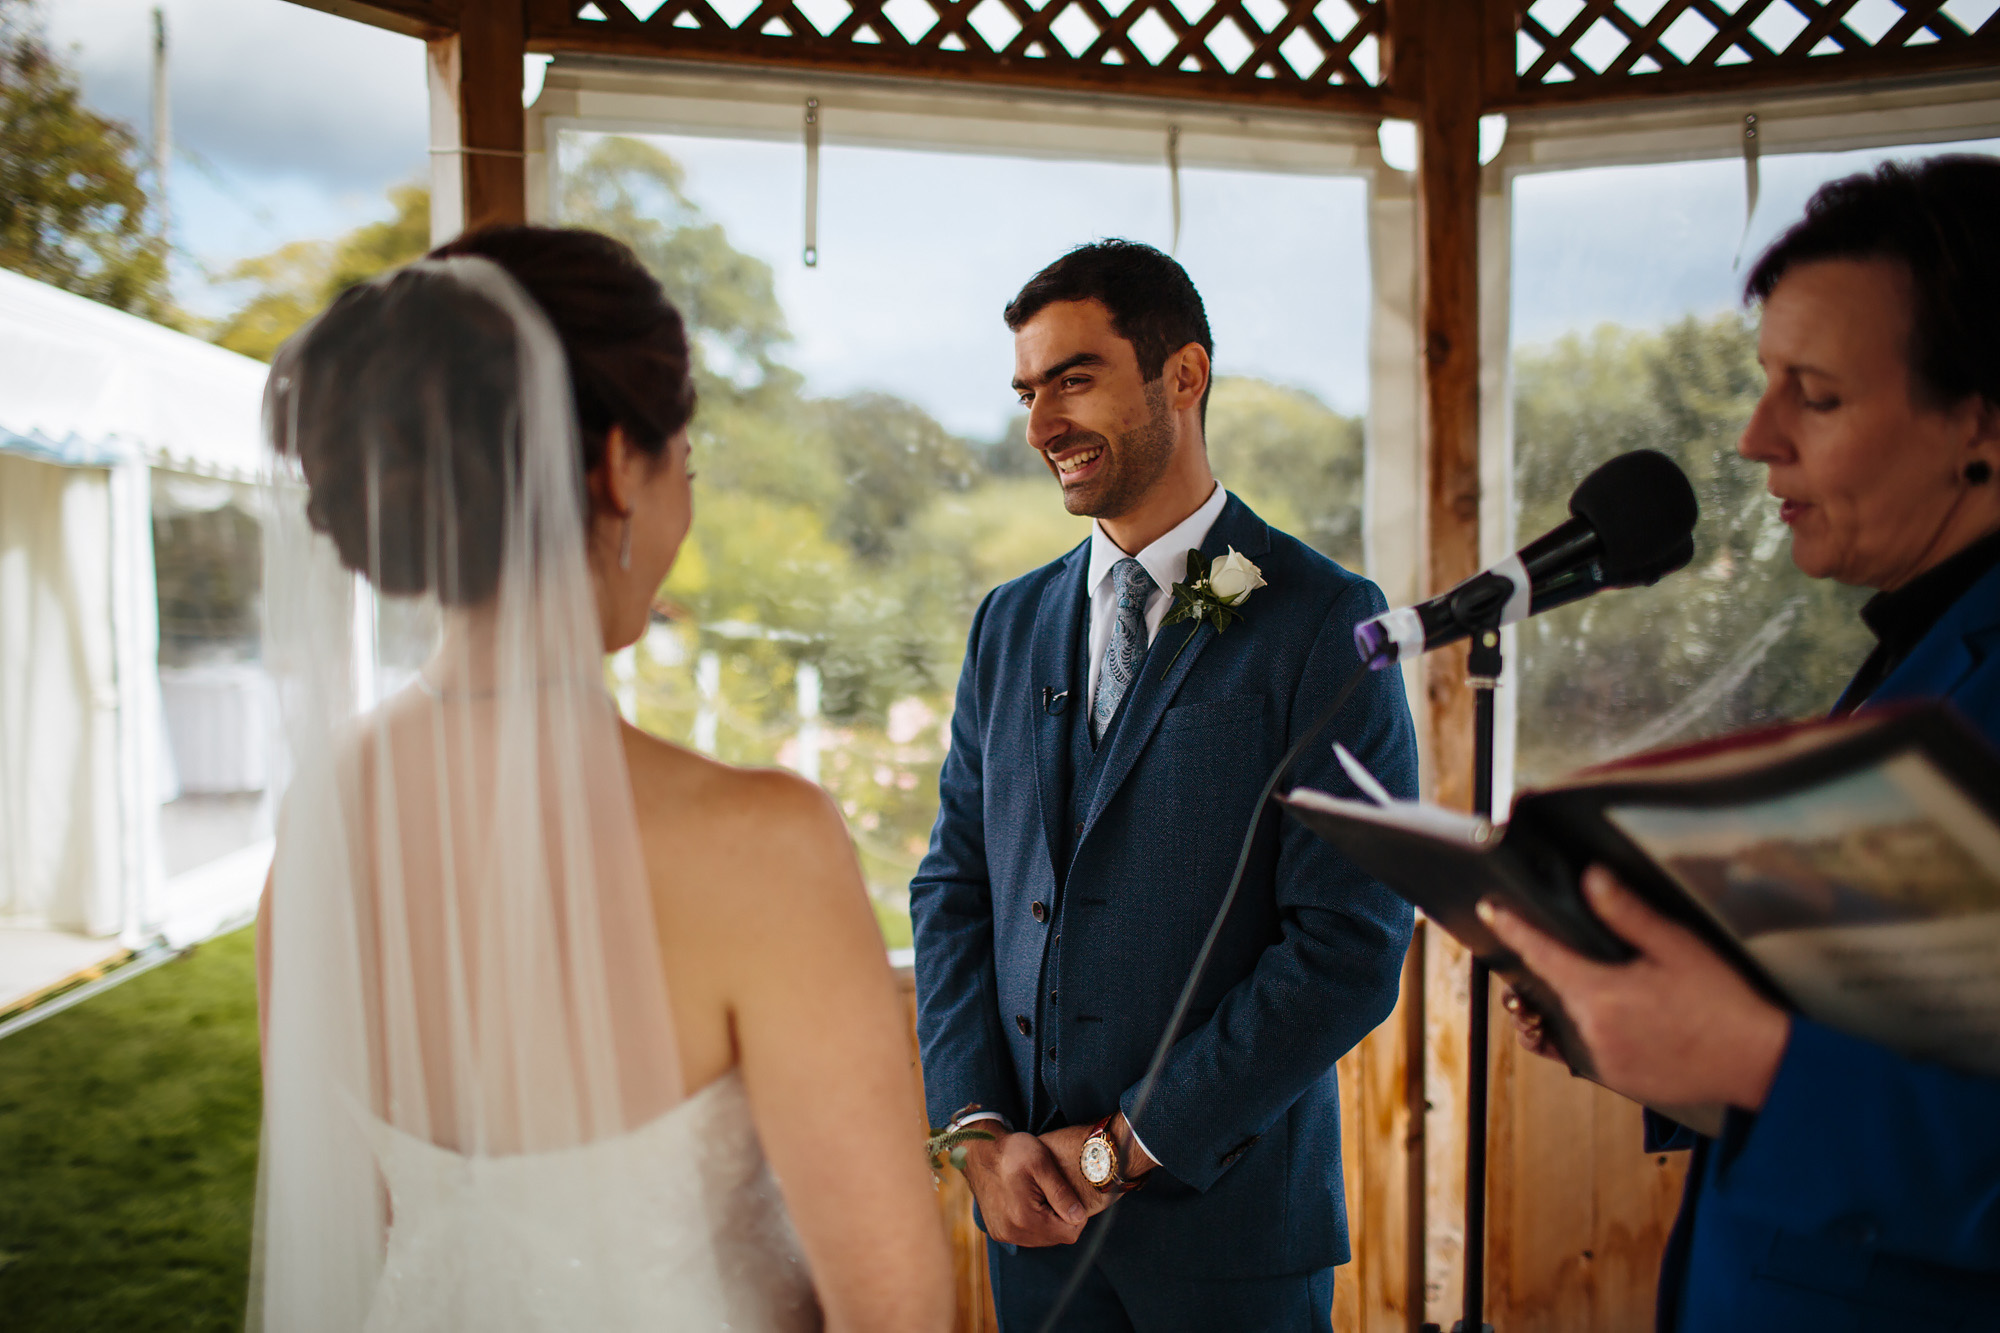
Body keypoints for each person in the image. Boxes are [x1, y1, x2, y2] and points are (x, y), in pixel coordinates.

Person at [250, 226, 951, 1332]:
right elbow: (895, 1310)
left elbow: (352, 1218)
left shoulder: (326, 807)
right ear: (617, 462)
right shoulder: (757, 845)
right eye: (687, 462)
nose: (684, 499)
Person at [1483, 155, 2000, 1330]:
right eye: (1763, 384)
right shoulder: (1915, 648)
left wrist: (1744, 1053)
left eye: (1812, 395)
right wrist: (1641, 1025)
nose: (1754, 437)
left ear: (1975, 419)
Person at [910, 239, 1417, 1331]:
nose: (1042, 424)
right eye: (1028, 391)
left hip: (1228, 1240)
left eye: (1073, 379)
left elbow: (1349, 943)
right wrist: (975, 1133)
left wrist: (1124, 1149)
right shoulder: (1007, 623)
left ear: (1181, 376)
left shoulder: (1323, 620)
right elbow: (953, 885)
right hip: (1032, 1239)